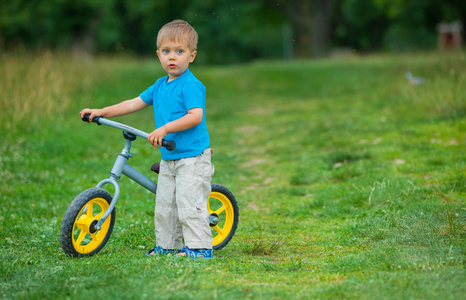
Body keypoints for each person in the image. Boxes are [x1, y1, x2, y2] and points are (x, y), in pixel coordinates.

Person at [80, 20, 214, 259]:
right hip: (170, 156)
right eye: (166, 52)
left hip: (192, 157)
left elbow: (195, 116)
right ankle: (168, 245)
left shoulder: (191, 85)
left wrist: (164, 129)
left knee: (188, 204)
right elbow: (133, 103)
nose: (172, 57)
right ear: (158, 55)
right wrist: (101, 111)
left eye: (179, 52)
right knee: (164, 206)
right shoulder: (159, 86)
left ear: (191, 56)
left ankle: (200, 248)